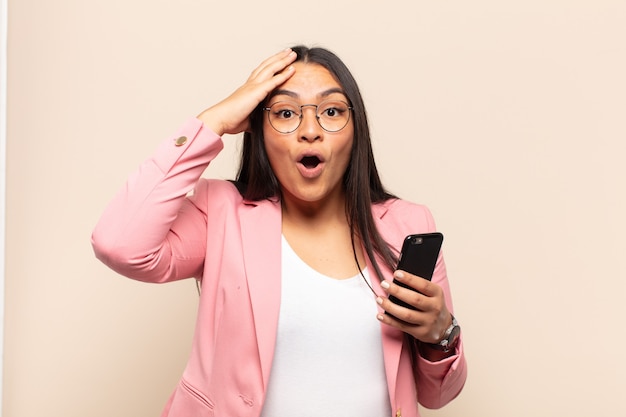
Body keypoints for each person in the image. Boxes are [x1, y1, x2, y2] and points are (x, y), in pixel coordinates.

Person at [92, 45, 467, 417]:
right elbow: (119, 244)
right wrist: (213, 122)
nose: (309, 131)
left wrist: (441, 334)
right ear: (260, 132)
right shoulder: (221, 212)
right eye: (286, 113)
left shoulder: (407, 225)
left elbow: (438, 395)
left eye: (332, 111)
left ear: (356, 131)